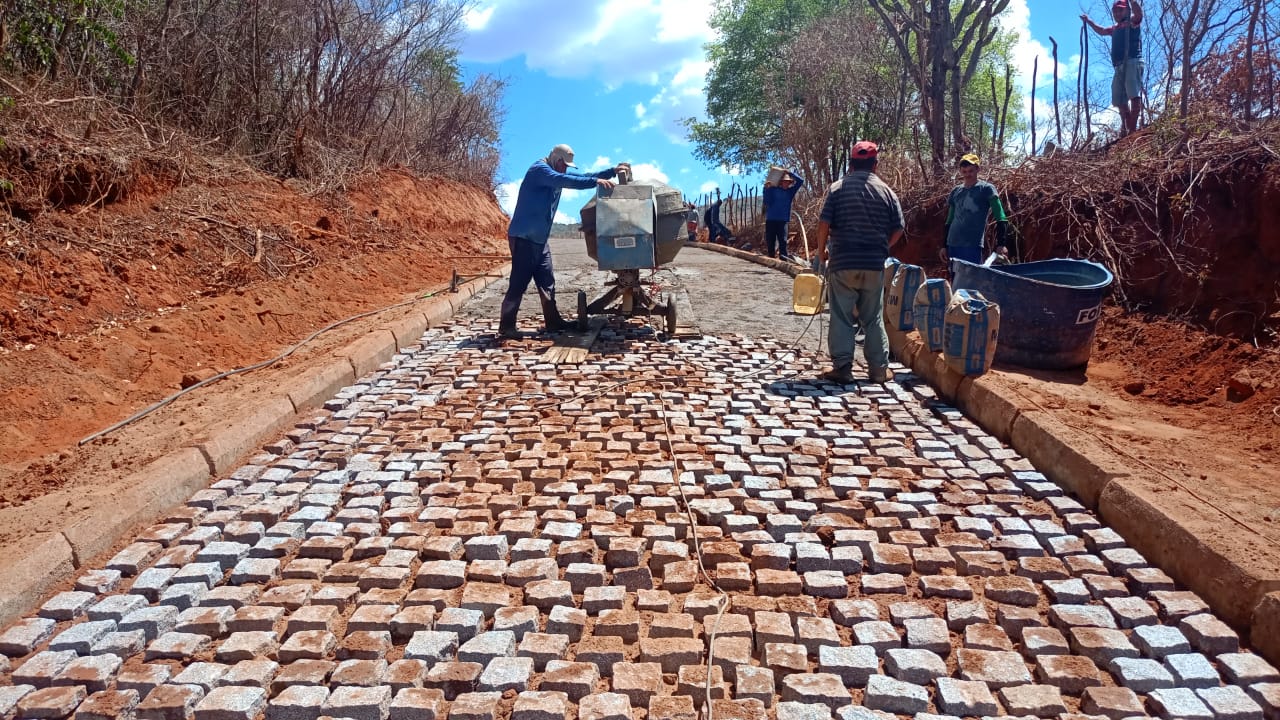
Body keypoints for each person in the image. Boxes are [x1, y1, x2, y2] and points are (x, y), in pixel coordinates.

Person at [500, 144, 625, 339]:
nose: (565, 169)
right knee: (519, 283)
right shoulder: (539, 170)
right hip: (524, 238)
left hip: (540, 240)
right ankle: (506, 326)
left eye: (567, 166)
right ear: (556, 160)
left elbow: (580, 177)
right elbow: (564, 180)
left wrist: (610, 172)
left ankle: (553, 322)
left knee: (547, 281)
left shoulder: (554, 172)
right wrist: (595, 182)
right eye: (564, 165)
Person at [815, 140, 904, 385]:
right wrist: (884, 246)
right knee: (873, 316)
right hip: (873, 264)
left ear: (851, 165)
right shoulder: (886, 191)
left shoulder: (837, 188)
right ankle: (878, 370)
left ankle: (843, 367)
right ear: (875, 165)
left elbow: (824, 224)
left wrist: (821, 251)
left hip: (843, 261)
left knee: (842, 315)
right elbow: (899, 228)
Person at [1082, 0, 1144, 137]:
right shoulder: (1115, 28)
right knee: (1119, 99)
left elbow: (1139, 14)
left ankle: (1133, 130)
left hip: (1132, 61)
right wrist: (1089, 21)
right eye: (1115, 11)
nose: (1117, 13)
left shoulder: (1132, 22)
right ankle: (1127, 128)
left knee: (1133, 94)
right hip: (1119, 66)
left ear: (1127, 11)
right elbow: (1102, 30)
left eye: (1120, 10)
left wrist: (1132, 1)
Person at [943, 153, 1009, 268]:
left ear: (978, 169)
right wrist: (944, 245)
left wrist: (1001, 244)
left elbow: (1001, 217)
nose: (967, 175)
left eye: (971, 171)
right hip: (952, 243)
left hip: (972, 245)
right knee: (955, 278)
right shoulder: (956, 191)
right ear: (960, 171)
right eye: (964, 172)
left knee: (972, 280)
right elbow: (949, 220)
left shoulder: (986, 189)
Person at [762, 170, 805, 261]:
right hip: (771, 220)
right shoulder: (773, 189)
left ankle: (783, 259)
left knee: (783, 241)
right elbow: (766, 201)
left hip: (783, 220)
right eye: (784, 181)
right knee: (770, 241)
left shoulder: (790, 192)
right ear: (781, 182)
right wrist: (766, 189)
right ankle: (771, 259)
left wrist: (790, 173)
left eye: (788, 182)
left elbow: (801, 181)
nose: (786, 184)